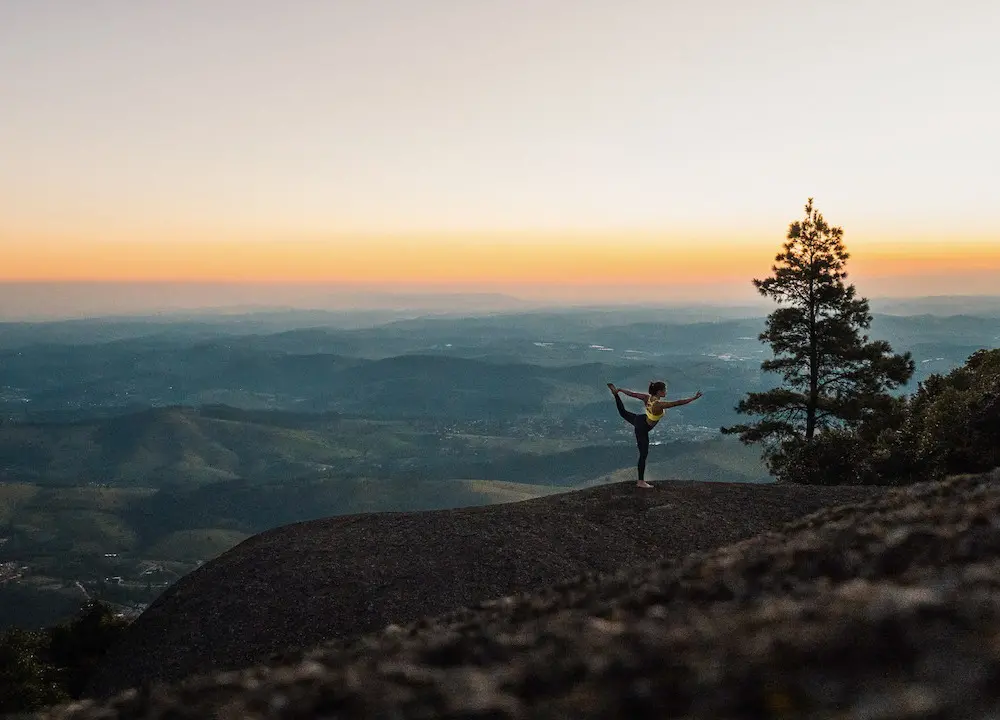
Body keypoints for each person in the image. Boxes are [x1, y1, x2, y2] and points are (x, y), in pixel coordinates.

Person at [607, 381, 703, 488]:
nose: (666, 392)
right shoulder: (659, 404)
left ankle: (615, 394)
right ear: (659, 392)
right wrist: (694, 398)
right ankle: (640, 482)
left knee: (623, 413)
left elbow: (632, 394)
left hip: (640, 419)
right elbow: (678, 402)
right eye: (664, 390)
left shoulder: (646, 398)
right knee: (643, 454)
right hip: (642, 428)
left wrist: (620, 390)